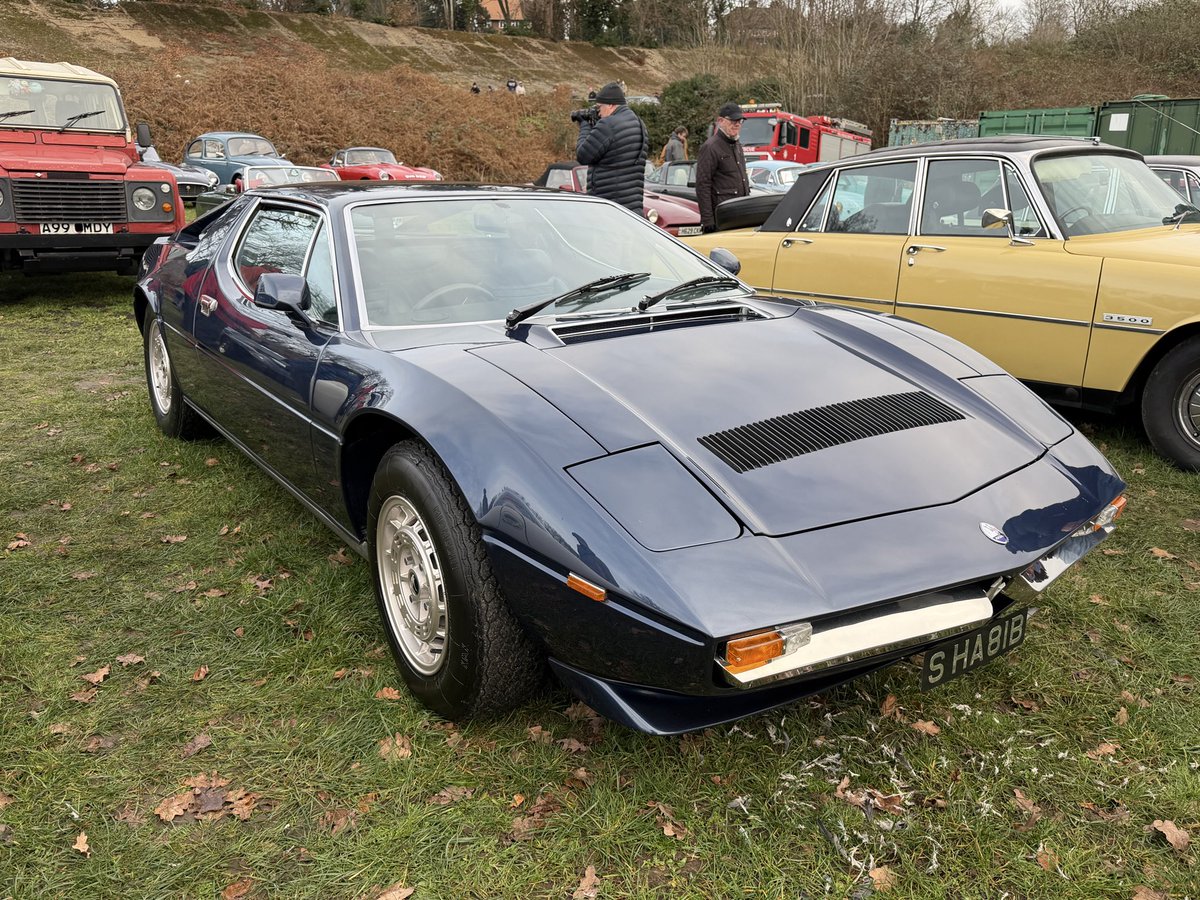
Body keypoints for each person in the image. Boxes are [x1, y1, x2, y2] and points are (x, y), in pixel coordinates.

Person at [575, 81, 648, 214]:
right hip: (633, 207)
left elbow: (583, 156)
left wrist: (585, 125)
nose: (599, 113)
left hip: (608, 208)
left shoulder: (608, 125)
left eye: (599, 107)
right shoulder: (639, 124)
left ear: (610, 105)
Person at [695, 102, 750, 233]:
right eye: (733, 121)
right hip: (722, 218)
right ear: (720, 121)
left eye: (740, 121)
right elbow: (703, 185)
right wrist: (708, 220)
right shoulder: (710, 147)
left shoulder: (737, 146)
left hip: (739, 216)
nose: (737, 124)